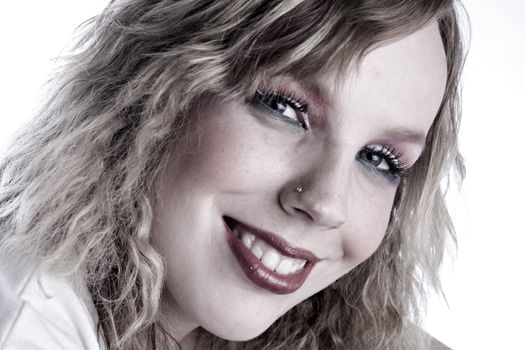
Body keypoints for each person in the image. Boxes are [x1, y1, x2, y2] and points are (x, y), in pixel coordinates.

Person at [0, 0, 466, 349]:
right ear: (154, 87)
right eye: (285, 108)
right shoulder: (28, 325)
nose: (327, 204)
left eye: (380, 158)